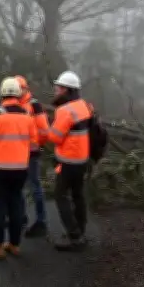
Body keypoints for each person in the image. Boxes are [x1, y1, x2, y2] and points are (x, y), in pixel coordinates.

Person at [0, 77, 38, 259]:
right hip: (20, 169)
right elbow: (34, 145)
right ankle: (14, 244)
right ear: (19, 94)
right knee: (16, 204)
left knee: (0, 206)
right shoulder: (27, 117)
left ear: (2, 94)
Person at [47, 70, 91, 252]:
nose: (56, 90)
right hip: (82, 160)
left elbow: (55, 137)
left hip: (68, 162)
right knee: (78, 195)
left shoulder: (65, 111)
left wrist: (49, 126)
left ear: (66, 89)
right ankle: (80, 230)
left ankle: (74, 236)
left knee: (60, 196)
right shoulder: (83, 106)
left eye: (58, 87)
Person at [15, 75, 50, 238]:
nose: (17, 92)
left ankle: (41, 221)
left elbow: (44, 130)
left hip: (31, 153)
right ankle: (21, 217)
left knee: (34, 186)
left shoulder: (34, 105)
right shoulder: (14, 105)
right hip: (17, 153)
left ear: (25, 89)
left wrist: (36, 144)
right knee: (18, 187)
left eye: (19, 89)